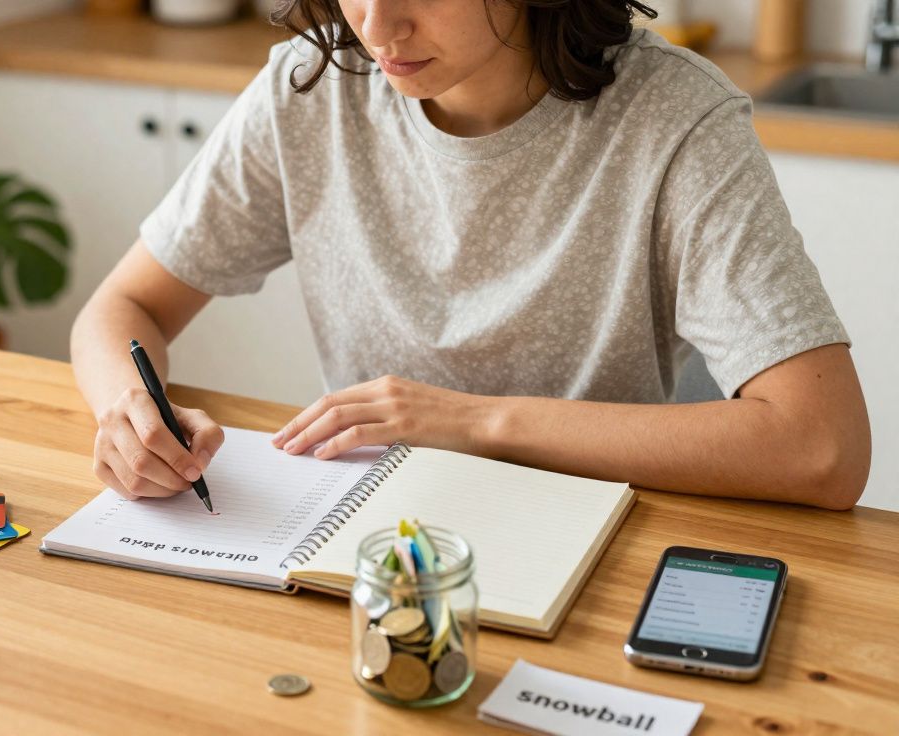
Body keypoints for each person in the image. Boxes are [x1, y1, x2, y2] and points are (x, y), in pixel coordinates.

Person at [70, 0, 871, 510]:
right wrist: (126, 411)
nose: (377, 27)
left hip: (594, 536)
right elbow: (121, 310)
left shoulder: (674, 120)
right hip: (366, 532)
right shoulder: (313, 87)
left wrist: (477, 422)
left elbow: (823, 447)